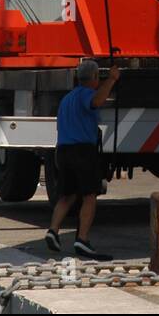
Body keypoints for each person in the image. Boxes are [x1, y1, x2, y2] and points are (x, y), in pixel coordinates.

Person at [45, 57, 120, 258]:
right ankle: (83, 239)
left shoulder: (67, 99)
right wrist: (112, 80)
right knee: (89, 195)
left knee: (67, 195)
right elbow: (96, 101)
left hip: (63, 151)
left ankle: (53, 230)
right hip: (82, 151)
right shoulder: (86, 94)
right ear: (94, 77)